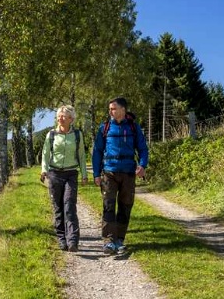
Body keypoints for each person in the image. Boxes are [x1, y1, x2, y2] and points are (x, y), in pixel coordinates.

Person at [92, 97, 149, 255]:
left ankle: (120, 240)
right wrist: (96, 174)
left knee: (125, 207)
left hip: (128, 173)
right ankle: (109, 241)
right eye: (110, 109)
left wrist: (142, 166)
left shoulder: (133, 127)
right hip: (109, 172)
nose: (110, 111)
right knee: (108, 206)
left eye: (113, 108)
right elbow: (97, 151)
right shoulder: (105, 128)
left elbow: (143, 149)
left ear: (123, 110)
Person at [40, 105, 88, 252]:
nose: (60, 118)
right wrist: (44, 170)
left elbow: (81, 156)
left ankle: (73, 240)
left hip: (71, 174)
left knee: (69, 206)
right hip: (54, 174)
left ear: (71, 119)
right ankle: (62, 239)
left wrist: (84, 174)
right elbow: (46, 154)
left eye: (64, 116)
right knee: (58, 209)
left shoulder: (77, 135)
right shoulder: (51, 135)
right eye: (59, 116)